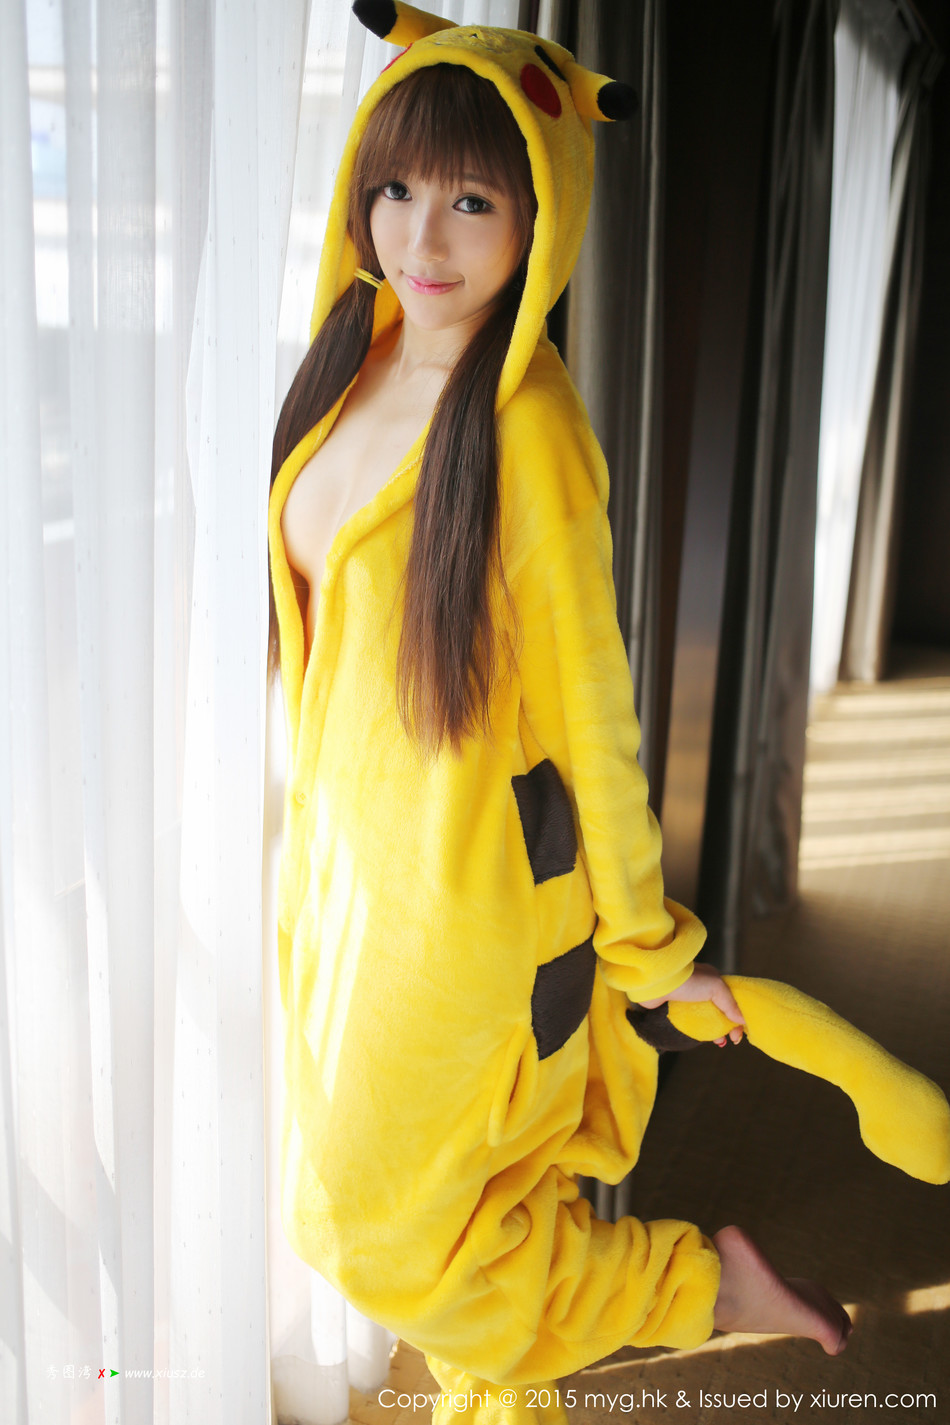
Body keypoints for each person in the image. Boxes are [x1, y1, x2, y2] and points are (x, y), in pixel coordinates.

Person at [267, 9, 852, 1423]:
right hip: (347, 877)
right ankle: (499, 1391)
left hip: (470, 907)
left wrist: (647, 948)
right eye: (398, 187)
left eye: (473, 200)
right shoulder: (352, 359)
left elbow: (598, 713)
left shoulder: (528, 426)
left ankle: (692, 1289)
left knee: (369, 1227)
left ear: (539, 216)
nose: (424, 235)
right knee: (423, 1205)